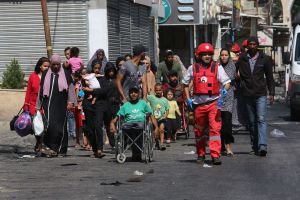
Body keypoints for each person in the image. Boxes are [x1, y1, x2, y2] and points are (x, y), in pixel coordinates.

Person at [182, 43, 231, 165]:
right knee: (199, 131)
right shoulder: (192, 68)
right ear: (199, 55)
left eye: (209, 54)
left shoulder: (217, 67)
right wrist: (188, 98)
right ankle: (201, 154)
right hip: (198, 104)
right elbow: (185, 84)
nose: (207, 56)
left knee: (215, 130)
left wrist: (224, 90)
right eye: (204, 54)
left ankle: (215, 155)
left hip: (214, 103)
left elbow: (227, 82)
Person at [236, 36, 275, 156]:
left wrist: (272, 93)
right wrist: (238, 79)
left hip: (260, 94)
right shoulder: (242, 58)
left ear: (258, 45)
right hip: (247, 94)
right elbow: (234, 72)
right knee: (252, 122)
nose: (252, 47)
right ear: (247, 46)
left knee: (261, 119)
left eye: (254, 44)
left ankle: (262, 145)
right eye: (250, 45)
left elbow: (269, 77)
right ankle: (255, 145)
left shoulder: (265, 59)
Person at [36, 54, 76, 157]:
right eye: (53, 64)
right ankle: (49, 147)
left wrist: (71, 102)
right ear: (51, 64)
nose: (56, 67)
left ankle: (62, 149)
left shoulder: (66, 74)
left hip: (61, 104)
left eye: (58, 64)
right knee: (49, 126)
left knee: (60, 127)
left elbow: (71, 90)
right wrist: (38, 105)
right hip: (48, 104)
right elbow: (41, 89)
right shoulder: (45, 74)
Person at [110, 86, 159, 162]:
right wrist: (112, 124)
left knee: (139, 131)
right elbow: (117, 117)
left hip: (140, 124)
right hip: (128, 125)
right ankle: (133, 153)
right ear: (129, 94)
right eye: (131, 92)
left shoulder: (143, 103)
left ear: (138, 94)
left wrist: (156, 127)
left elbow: (151, 114)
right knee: (126, 130)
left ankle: (137, 154)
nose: (133, 94)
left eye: (135, 92)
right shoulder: (125, 105)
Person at [82, 60, 110, 158]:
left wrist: (92, 90)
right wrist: (89, 90)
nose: (97, 70)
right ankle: (94, 149)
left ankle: (99, 149)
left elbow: (104, 91)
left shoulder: (103, 78)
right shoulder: (88, 77)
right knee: (90, 128)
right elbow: (83, 87)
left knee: (98, 125)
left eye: (99, 68)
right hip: (88, 105)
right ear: (92, 68)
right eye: (95, 68)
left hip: (100, 105)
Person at [23, 57, 50, 153]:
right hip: (33, 104)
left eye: (48, 66)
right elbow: (28, 91)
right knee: (36, 125)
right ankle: (40, 143)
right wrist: (26, 104)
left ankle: (39, 144)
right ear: (40, 66)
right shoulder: (33, 76)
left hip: (45, 104)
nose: (47, 68)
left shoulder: (49, 77)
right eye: (45, 66)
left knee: (45, 125)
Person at [219, 48, 236, 156]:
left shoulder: (232, 66)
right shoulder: (216, 66)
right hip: (218, 98)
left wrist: (225, 90)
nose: (224, 57)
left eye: (226, 55)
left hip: (228, 97)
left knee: (227, 123)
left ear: (229, 56)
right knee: (218, 124)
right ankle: (220, 146)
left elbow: (230, 80)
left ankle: (229, 145)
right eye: (222, 55)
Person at [147, 83, 170, 151]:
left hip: (162, 118)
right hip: (154, 118)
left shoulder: (165, 100)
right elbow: (145, 96)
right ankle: (156, 142)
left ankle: (162, 143)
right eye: (156, 90)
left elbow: (167, 109)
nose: (158, 91)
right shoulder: (152, 97)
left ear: (162, 90)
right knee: (155, 131)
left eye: (160, 90)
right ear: (154, 90)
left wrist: (165, 116)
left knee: (161, 129)